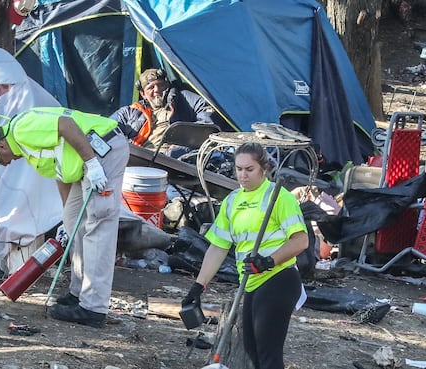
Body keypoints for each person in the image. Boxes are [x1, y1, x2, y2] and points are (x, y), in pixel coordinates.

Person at [0, 107, 129, 328]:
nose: (5, 164)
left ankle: (93, 307)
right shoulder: (26, 149)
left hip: (102, 152)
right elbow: (61, 172)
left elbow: (65, 125)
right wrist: (68, 217)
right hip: (86, 162)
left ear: (0, 146)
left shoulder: (21, 130)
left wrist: (93, 164)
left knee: (98, 225)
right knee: (75, 222)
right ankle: (79, 294)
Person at [181, 142, 308, 369]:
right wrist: (198, 286)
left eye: (249, 169)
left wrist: (268, 261)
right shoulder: (232, 201)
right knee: (253, 352)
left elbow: (301, 241)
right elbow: (218, 247)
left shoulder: (278, 197)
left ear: (263, 168)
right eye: (239, 169)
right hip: (249, 282)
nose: (243, 175)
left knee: (268, 354)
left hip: (278, 278)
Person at [110, 68, 217, 158]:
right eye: (151, 87)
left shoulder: (183, 98)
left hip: (170, 159)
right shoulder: (131, 111)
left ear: (167, 85)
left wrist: (183, 145)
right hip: (139, 157)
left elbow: (207, 120)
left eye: (160, 85)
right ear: (143, 94)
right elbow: (107, 127)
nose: (156, 90)